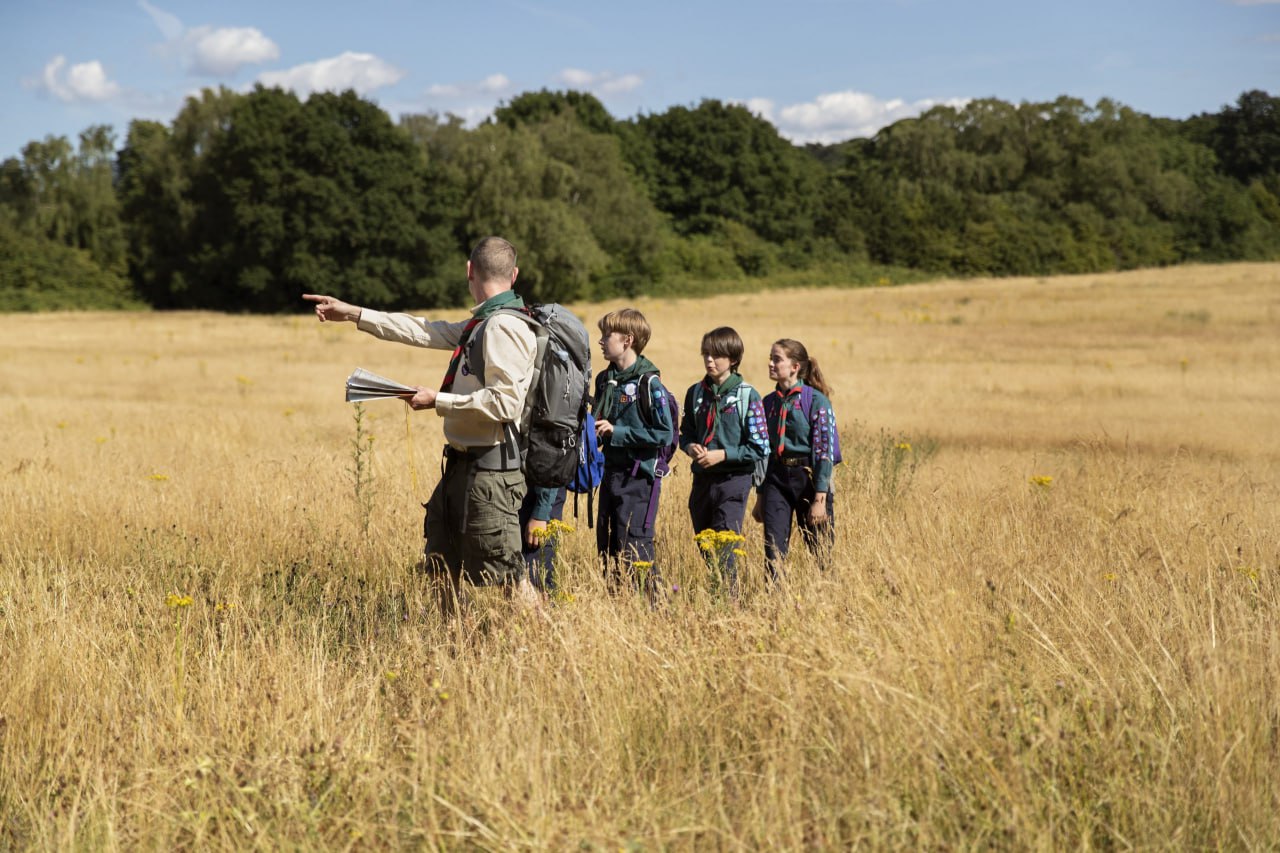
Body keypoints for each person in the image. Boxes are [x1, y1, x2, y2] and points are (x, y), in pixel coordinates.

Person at [303, 236, 545, 610]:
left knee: (507, 581)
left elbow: (506, 403)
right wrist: (353, 313)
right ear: (514, 274)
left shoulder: (502, 327)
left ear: (469, 270)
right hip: (462, 469)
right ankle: (455, 649)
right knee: (440, 567)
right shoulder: (480, 324)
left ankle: (552, 650)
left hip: (491, 474)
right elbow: (423, 330)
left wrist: (439, 400)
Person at [679, 327, 768, 596]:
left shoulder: (747, 396)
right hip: (702, 481)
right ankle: (719, 589)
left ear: (733, 359)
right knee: (705, 543)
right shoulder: (695, 393)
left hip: (733, 481)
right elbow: (686, 433)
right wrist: (690, 448)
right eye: (706, 354)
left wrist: (724, 454)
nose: (709, 360)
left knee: (725, 543)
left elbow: (760, 446)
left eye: (716, 355)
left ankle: (729, 599)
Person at [592, 309, 674, 597]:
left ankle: (655, 606)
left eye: (606, 335)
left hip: (639, 477)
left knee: (636, 546)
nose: (600, 341)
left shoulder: (648, 383)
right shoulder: (604, 380)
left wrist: (619, 433)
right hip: (610, 475)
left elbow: (664, 433)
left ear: (628, 340)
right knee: (609, 548)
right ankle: (621, 607)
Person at [751, 339, 837, 579]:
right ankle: (776, 607)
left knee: (820, 551)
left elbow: (824, 451)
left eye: (777, 359)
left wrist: (820, 498)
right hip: (776, 480)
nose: (770, 363)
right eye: (770, 357)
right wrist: (760, 495)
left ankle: (827, 600)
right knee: (773, 552)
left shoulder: (816, 401)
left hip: (808, 479)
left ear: (795, 367)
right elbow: (762, 451)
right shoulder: (767, 403)